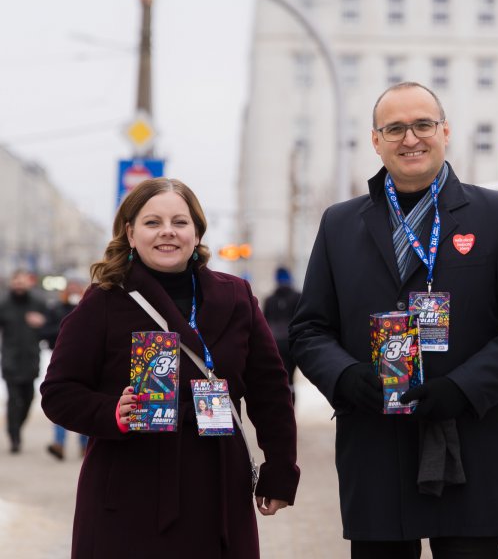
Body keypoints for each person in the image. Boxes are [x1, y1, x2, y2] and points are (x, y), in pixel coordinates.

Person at [291, 81, 498, 558]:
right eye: (394, 128)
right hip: (375, 446)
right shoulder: (338, 224)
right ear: (376, 141)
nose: (409, 138)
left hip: (469, 445)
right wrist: (345, 376)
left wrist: (462, 388)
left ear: (445, 131)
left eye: (422, 125)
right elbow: (310, 329)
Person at [40, 177, 300, 558]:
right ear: (130, 234)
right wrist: (111, 411)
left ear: (196, 233)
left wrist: (280, 469)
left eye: (180, 222)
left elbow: (271, 391)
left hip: (218, 487)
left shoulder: (236, 297)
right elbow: (59, 393)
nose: (168, 232)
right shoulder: (104, 301)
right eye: (152, 222)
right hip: (129, 490)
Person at [0, 269, 48, 454]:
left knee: (29, 398)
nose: (19, 284)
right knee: (13, 399)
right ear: (12, 283)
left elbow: (52, 327)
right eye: (16, 281)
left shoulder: (38, 302)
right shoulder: (4, 303)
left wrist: (42, 322)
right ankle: (14, 437)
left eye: (22, 281)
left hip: (30, 358)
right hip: (10, 359)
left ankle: (16, 427)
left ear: (29, 282)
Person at [43, 279, 89, 460]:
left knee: (85, 402)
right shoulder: (56, 309)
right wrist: (66, 328)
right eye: (69, 288)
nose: (72, 291)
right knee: (62, 401)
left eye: (75, 287)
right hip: (62, 360)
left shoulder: (89, 307)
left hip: (86, 360)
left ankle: (85, 445)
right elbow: (45, 332)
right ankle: (59, 443)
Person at [263, 266, 302, 403]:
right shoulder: (297, 297)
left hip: (275, 344)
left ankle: (281, 404)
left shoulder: (270, 300)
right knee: (290, 379)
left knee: (279, 378)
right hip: (292, 343)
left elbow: (264, 323)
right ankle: (291, 407)